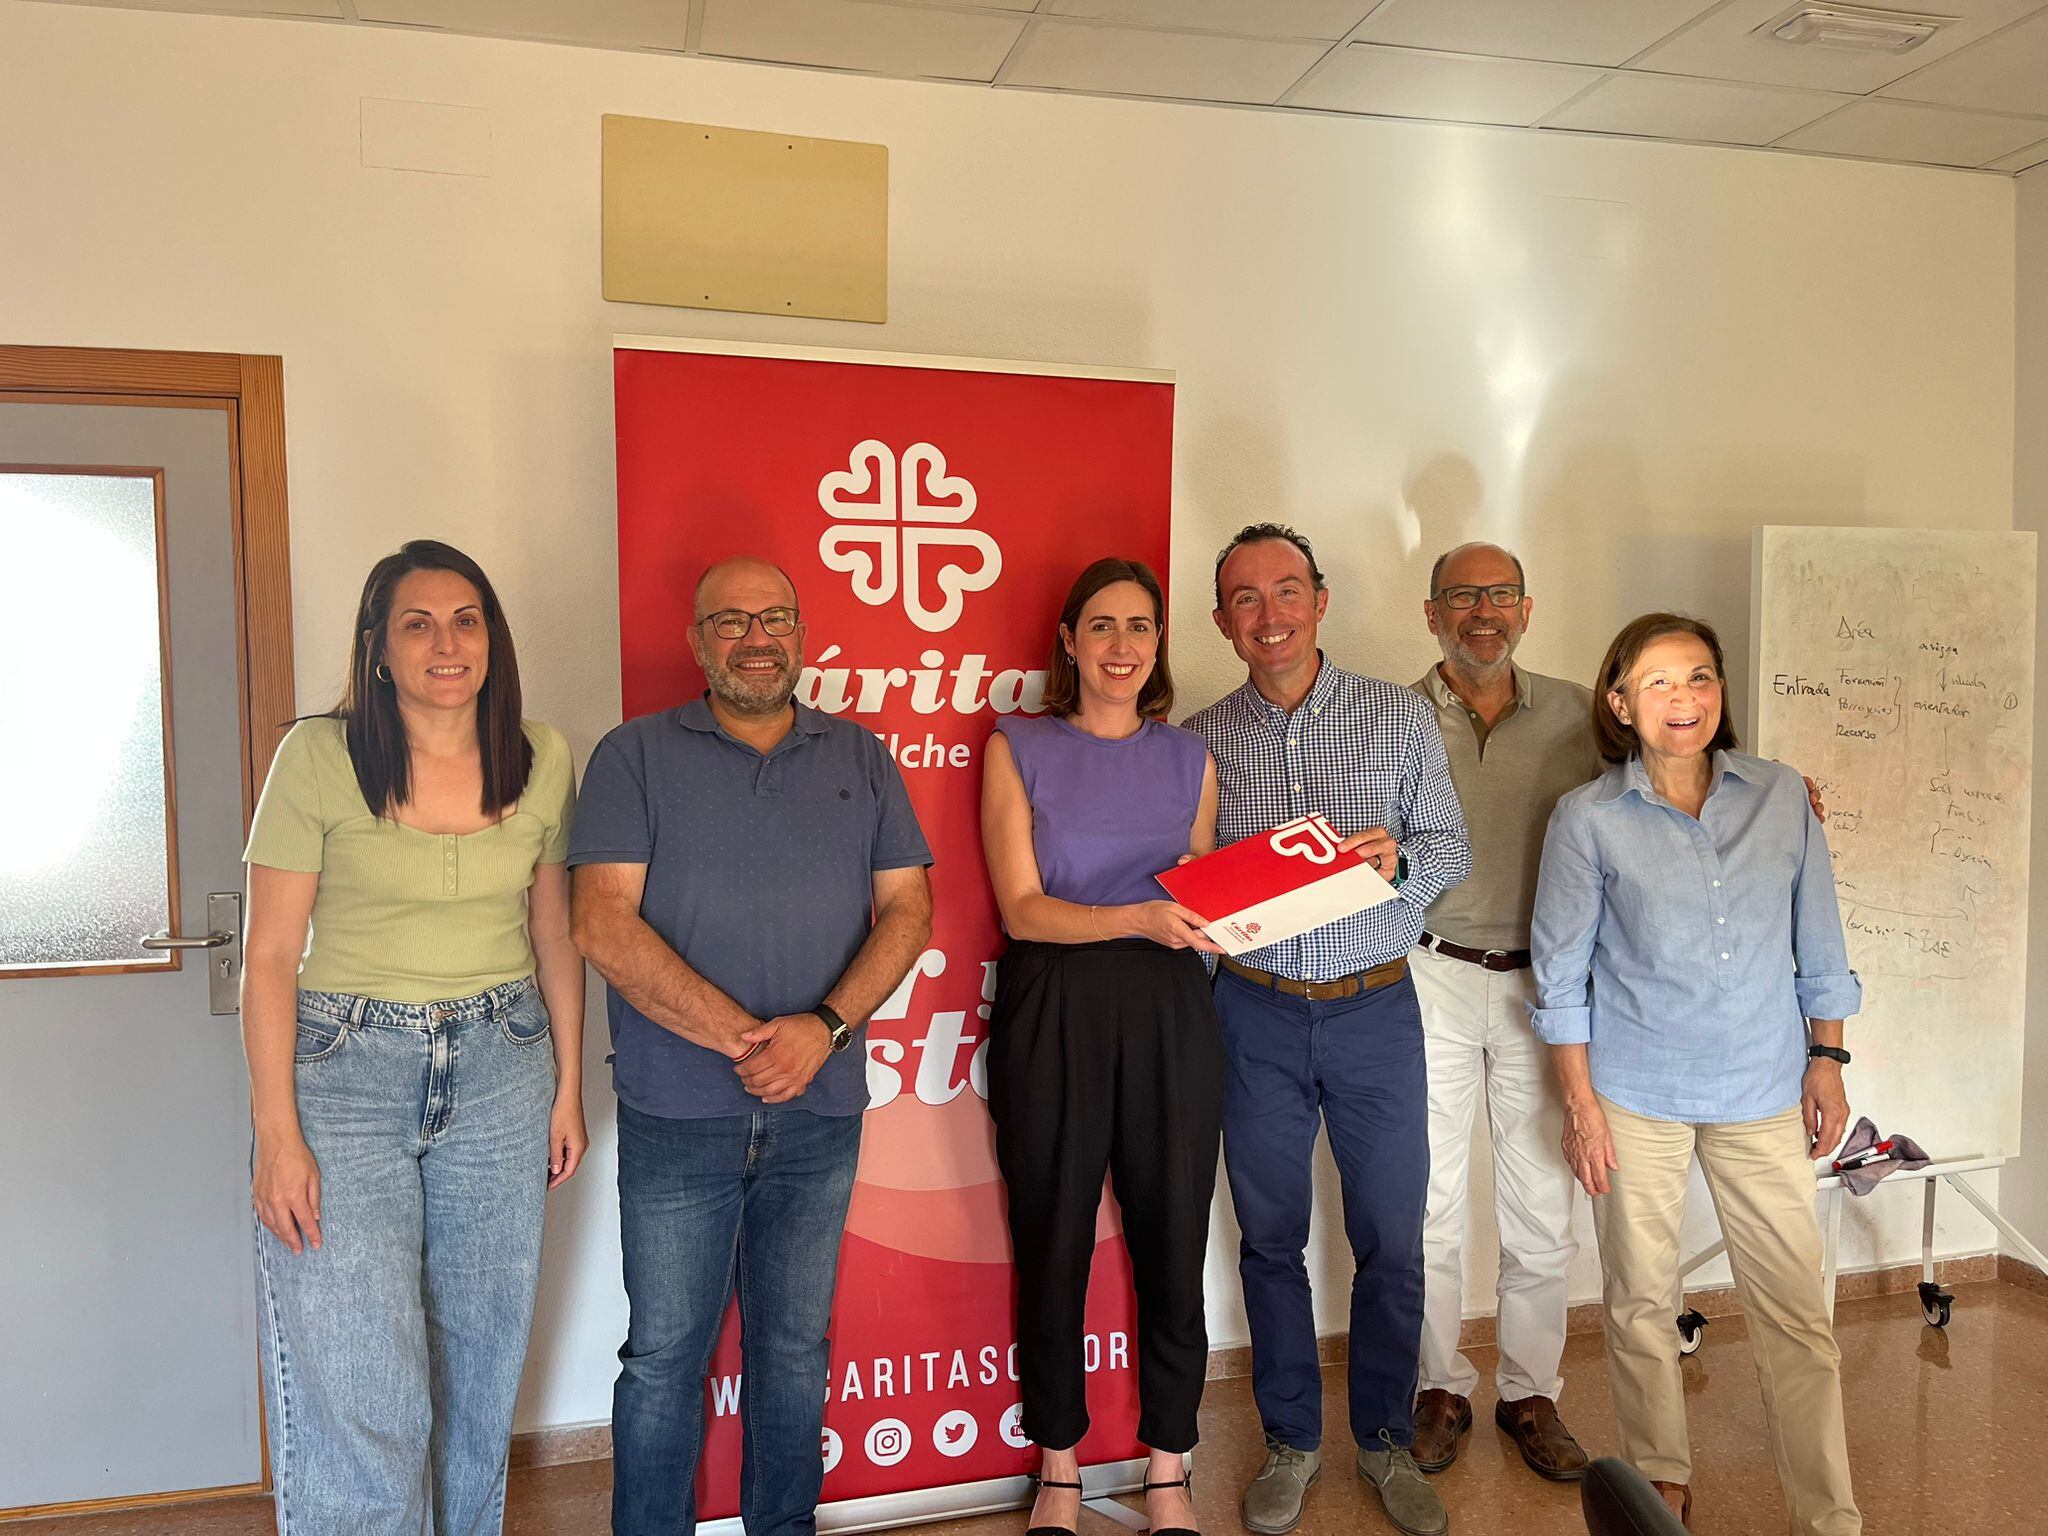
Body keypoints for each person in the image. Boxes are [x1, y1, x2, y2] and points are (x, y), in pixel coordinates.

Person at [569, 556, 933, 1536]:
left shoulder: (861, 757)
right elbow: (600, 921)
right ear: (697, 642)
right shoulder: (633, 756)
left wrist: (823, 1032)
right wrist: (749, 1041)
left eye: (775, 618)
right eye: (730, 622)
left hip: (819, 1114)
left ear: (801, 635)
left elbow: (909, 910)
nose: (756, 639)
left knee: (794, 1352)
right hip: (676, 1115)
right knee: (663, 1360)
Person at [241, 539, 586, 1536]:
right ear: (379, 648)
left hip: (503, 1065)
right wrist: (277, 1135)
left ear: (492, 640)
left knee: (480, 1359)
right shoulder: (318, 756)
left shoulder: (542, 756)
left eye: (466, 620)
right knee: (362, 1375)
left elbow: (554, 935)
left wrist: (566, 1087)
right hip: (344, 1074)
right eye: (418, 624)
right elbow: (270, 955)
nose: (446, 643)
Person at [1530, 613, 1861, 1535]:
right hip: (1635, 1094)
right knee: (1641, 1302)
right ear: (1619, 702)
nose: (1685, 698)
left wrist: (1828, 1060)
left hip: (1763, 1087)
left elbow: (1820, 942)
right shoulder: (1587, 819)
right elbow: (1561, 975)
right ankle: (1659, 1491)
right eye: (1660, 681)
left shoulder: (1782, 794)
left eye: (1701, 676)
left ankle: (1827, 1517)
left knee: (1796, 1314)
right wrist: (1582, 1106)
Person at [1184, 524, 1470, 1536]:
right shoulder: (1199, 740)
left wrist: (1400, 859)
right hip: (1252, 1013)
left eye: (1286, 591)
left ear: (1320, 599)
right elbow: (1189, 884)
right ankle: (1291, 1441)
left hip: (1375, 1009)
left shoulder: (1398, 716)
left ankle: (1384, 1441)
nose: (1269, 615)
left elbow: (1451, 847)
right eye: (1245, 599)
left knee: (1390, 1237)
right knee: (1269, 1239)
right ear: (1222, 622)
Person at [981, 558, 1224, 1536]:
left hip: (1170, 1010)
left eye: (1140, 627)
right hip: (1052, 1005)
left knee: (1174, 1234)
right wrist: (1139, 918)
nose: (1122, 646)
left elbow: (1200, 895)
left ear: (1158, 644)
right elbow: (1021, 908)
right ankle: (1058, 1466)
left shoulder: (1190, 757)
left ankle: (1168, 1465)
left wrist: (1236, 910)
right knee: (1051, 1238)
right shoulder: (1018, 745)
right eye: (1102, 626)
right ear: (1069, 642)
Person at [1406, 543, 1596, 1482]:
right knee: (1428, 1201)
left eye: (1501, 594)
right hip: (1428, 972)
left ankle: (1530, 1393)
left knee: (1540, 1207)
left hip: (1547, 986)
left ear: (1527, 608)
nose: (1483, 612)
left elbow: (1682, 766)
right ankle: (1437, 1386)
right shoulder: (1391, 715)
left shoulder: (1584, 714)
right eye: (1462, 596)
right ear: (1431, 613)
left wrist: (1774, 785)